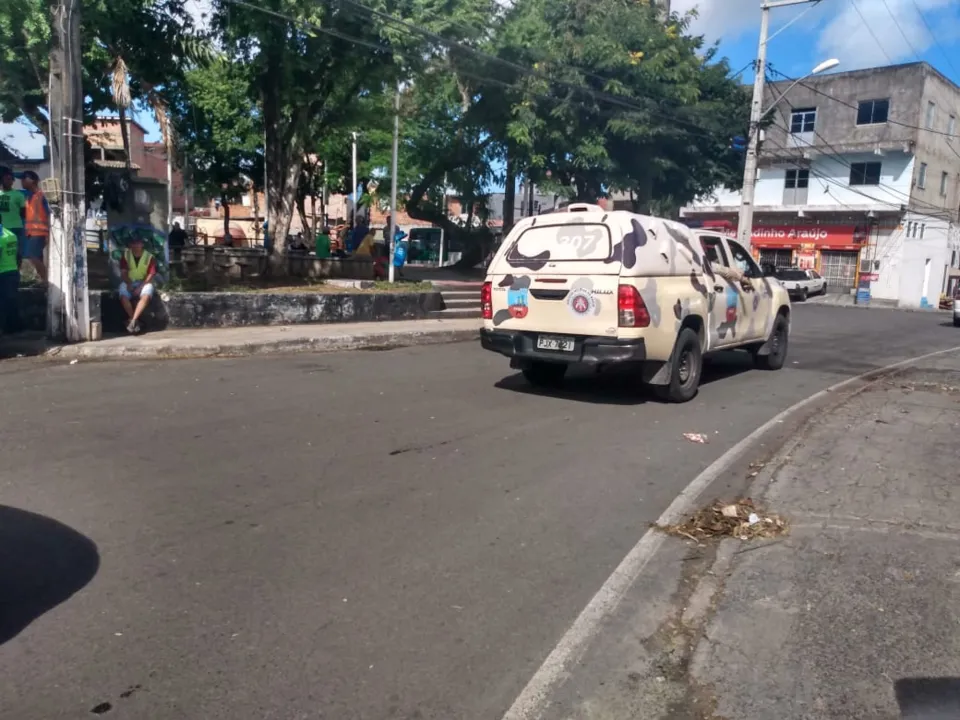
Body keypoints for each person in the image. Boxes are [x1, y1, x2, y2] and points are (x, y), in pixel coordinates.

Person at [119, 235, 158, 334]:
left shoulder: (149, 257)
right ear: (130, 245)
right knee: (123, 297)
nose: (136, 246)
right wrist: (128, 283)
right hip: (129, 280)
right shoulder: (126, 255)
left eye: (138, 243)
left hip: (144, 281)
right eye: (134, 243)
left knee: (145, 297)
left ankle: (132, 320)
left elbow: (151, 274)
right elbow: (123, 272)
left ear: (142, 245)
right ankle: (134, 320)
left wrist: (141, 287)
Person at [20, 171, 49, 282]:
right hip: (32, 233)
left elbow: (49, 215)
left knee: (33, 256)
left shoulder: (41, 196)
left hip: (39, 232)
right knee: (37, 257)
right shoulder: (29, 197)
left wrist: (49, 234)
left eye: (23, 179)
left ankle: (46, 281)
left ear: (32, 180)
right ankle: (43, 280)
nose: (21, 181)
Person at [0, 168, 26, 275]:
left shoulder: (18, 195)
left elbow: (23, 213)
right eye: (6, 179)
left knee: (16, 253)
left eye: (10, 179)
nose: (8, 181)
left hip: (15, 228)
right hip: (2, 229)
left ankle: (16, 274)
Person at [0, 223, 20, 334]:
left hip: (2, 274)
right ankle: (14, 328)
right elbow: (18, 255)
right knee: (11, 303)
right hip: (13, 271)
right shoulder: (11, 234)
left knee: (2, 304)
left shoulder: (1, 238)